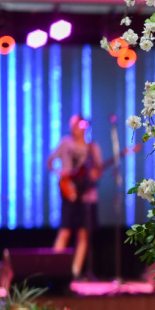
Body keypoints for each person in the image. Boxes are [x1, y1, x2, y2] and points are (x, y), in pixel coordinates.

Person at [47, 115, 103, 279]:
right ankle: (54, 270)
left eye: (76, 125)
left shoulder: (92, 147)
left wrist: (94, 174)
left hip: (87, 196)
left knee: (83, 233)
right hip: (69, 193)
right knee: (65, 231)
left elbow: (98, 170)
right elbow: (50, 162)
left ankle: (75, 272)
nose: (74, 128)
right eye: (72, 125)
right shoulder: (65, 143)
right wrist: (61, 173)